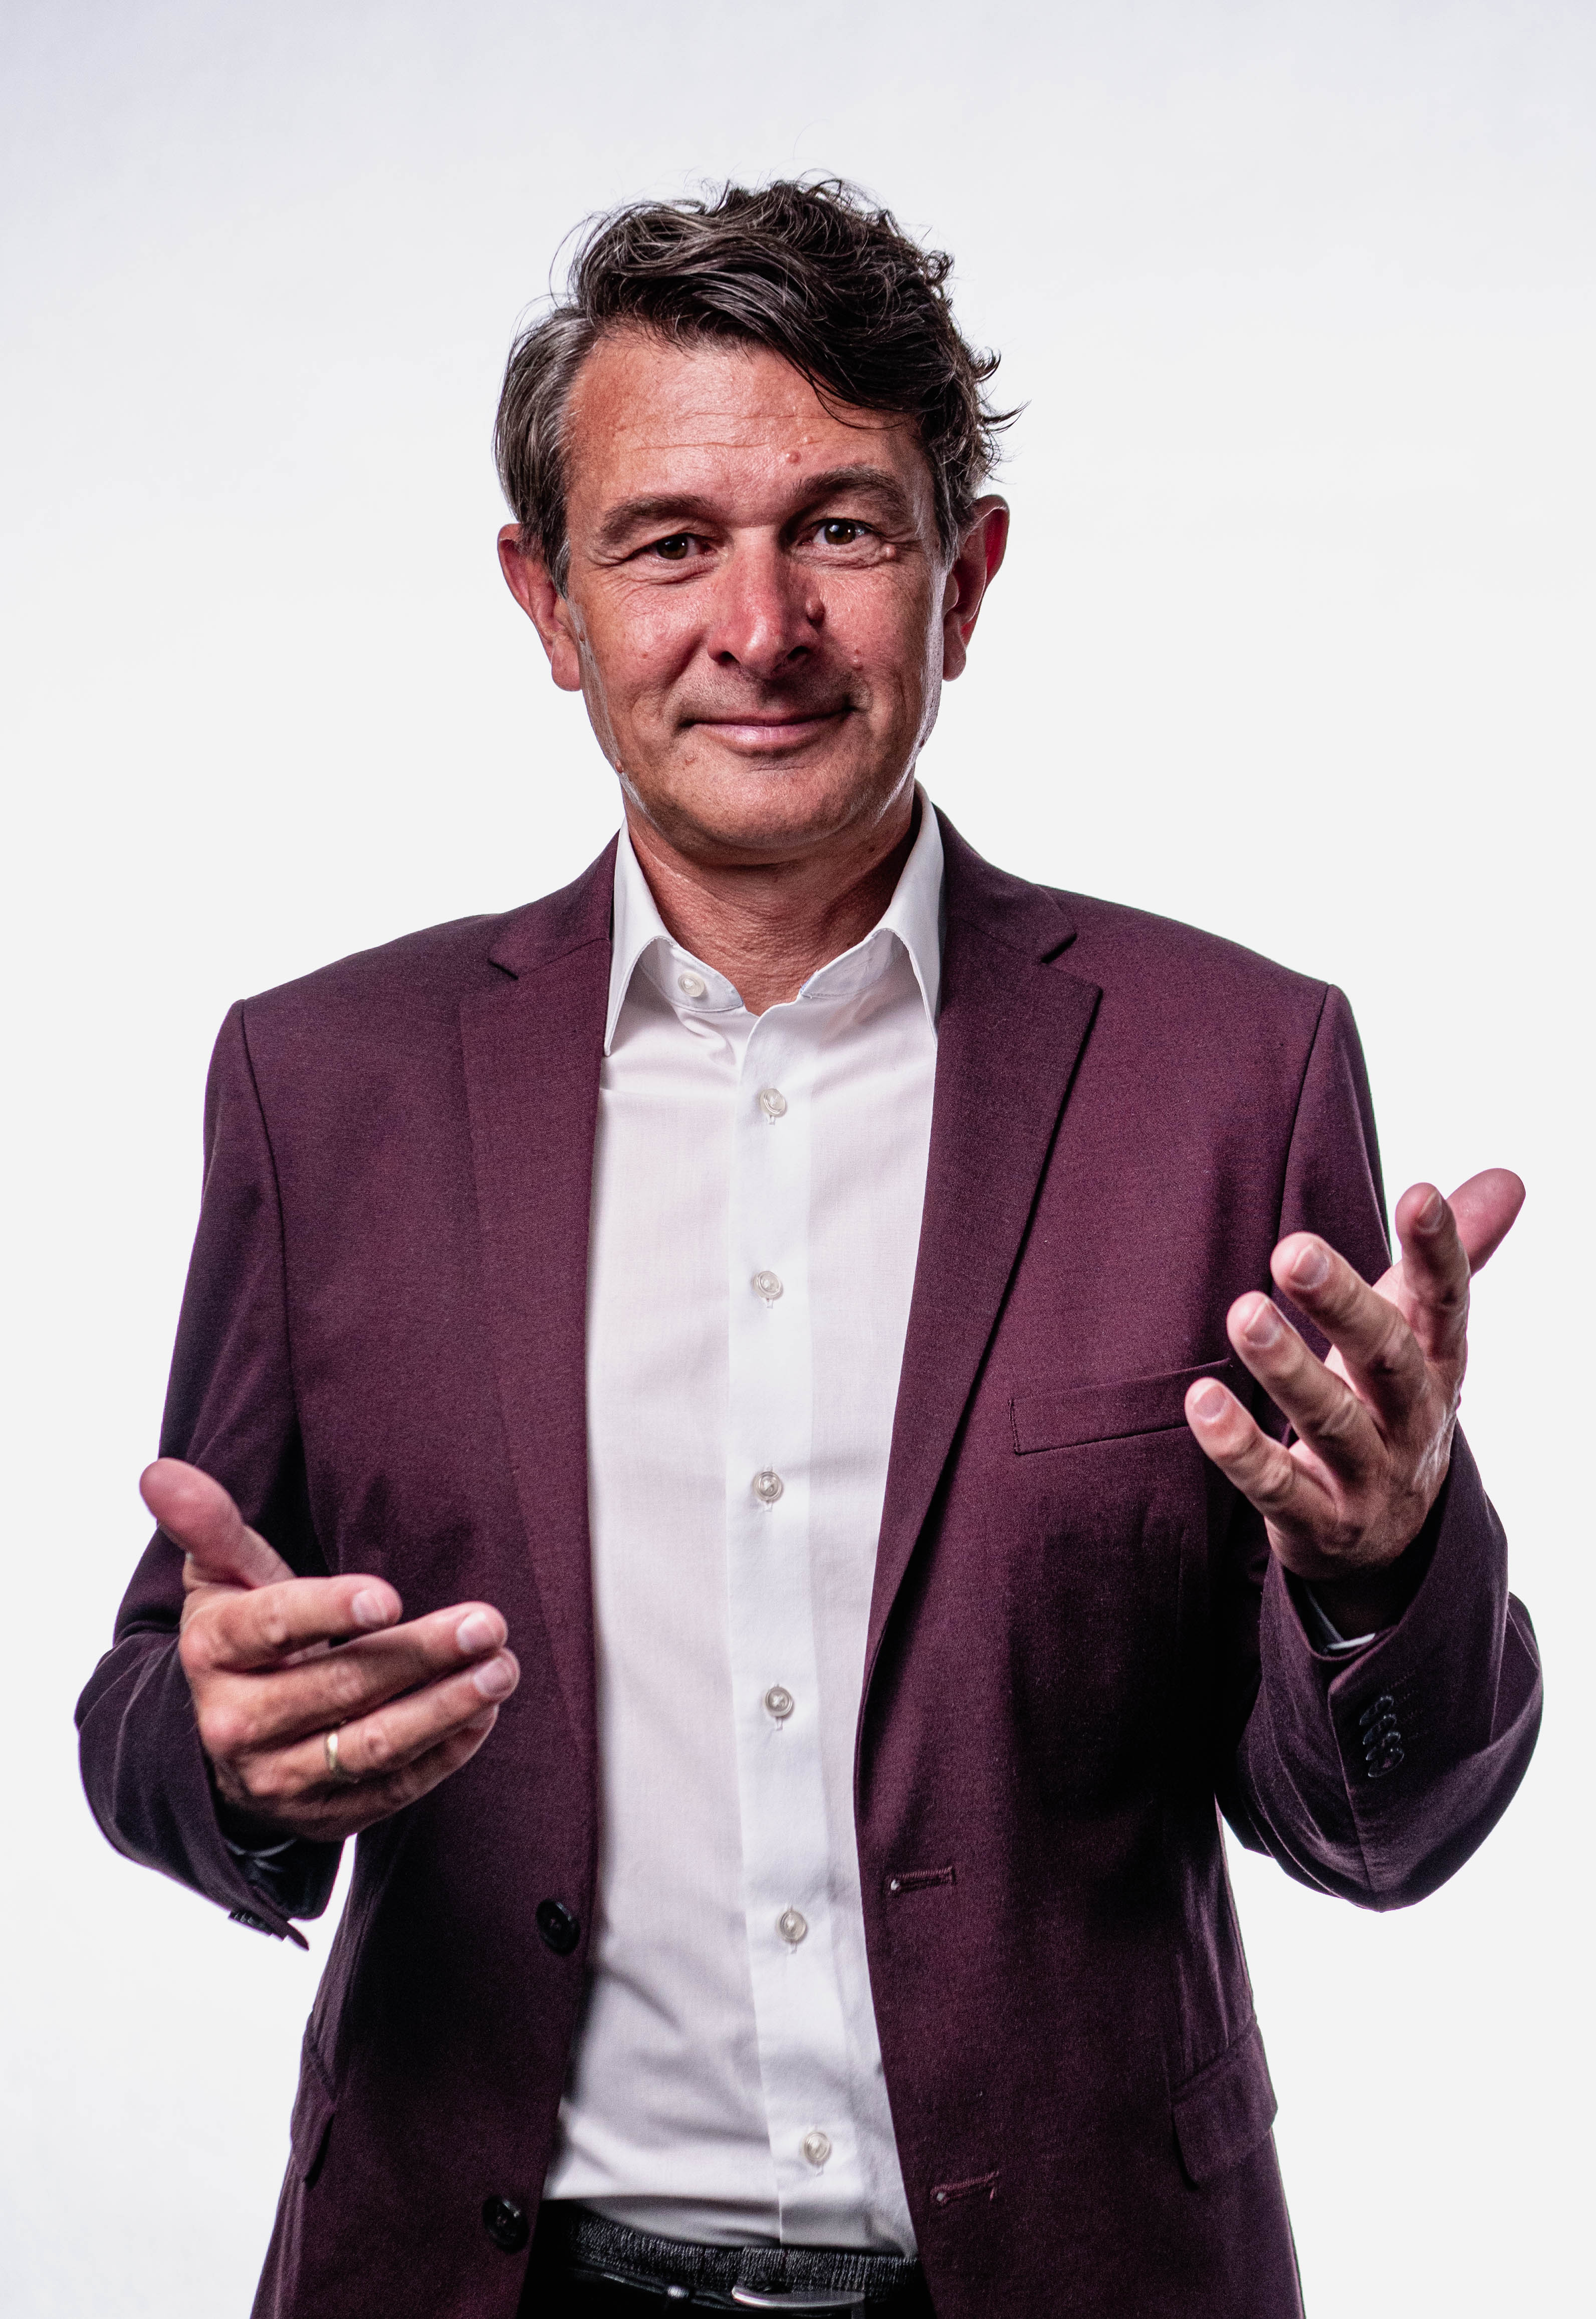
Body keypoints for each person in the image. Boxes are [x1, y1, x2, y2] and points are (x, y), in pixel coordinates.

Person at [77, 179, 1541, 2319]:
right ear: (547, 600)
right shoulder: (326, 1086)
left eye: (840, 530)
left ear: (966, 579)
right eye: (668, 542)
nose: (757, 629)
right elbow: (154, 1697)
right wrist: (218, 1747)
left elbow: (1378, 1830)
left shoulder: (1232, 1069)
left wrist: (1379, 1569)